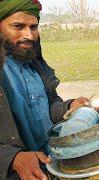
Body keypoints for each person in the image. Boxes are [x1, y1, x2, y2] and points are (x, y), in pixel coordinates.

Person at [0, 1, 90, 179]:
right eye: (18, 26)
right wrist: (13, 158)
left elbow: (47, 108)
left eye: (33, 27)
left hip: (52, 165)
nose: (29, 35)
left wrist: (69, 107)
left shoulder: (35, 65)